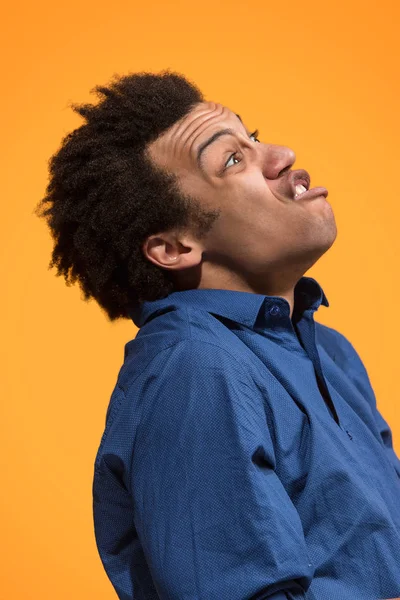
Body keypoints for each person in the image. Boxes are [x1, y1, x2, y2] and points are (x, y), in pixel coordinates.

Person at [35, 70, 400, 599]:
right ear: (174, 247)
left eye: (252, 138)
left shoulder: (331, 354)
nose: (282, 155)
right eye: (233, 159)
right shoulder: (194, 370)